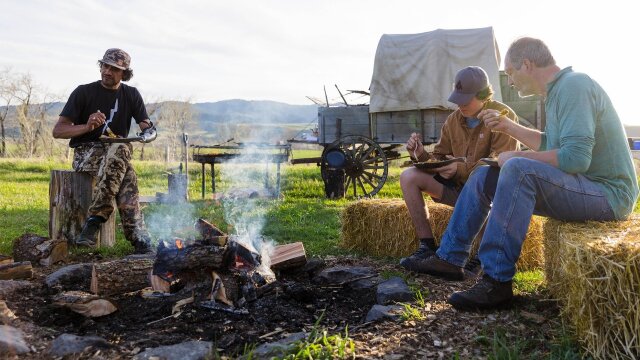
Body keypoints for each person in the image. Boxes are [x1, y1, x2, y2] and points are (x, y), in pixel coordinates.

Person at [417, 37, 639, 310]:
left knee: (517, 168)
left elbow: (576, 158)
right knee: (485, 174)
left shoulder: (574, 86)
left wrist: (517, 156)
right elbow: (553, 146)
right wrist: (509, 127)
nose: (509, 81)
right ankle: (450, 258)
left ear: (527, 64)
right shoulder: (557, 92)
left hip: (608, 194)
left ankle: (496, 281)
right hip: (583, 185)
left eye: (510, 72)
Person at [399, 66, 519, 275]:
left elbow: (502, 164)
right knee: (409, 176)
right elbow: (439, 157)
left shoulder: (502, 116)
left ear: (483, 96)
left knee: (482, 184)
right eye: (458, 98)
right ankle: (427, 247)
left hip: (490, 196)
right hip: (458, 189)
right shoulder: (454, 119)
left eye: (466, 99)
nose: (460, 104)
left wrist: (460, 169)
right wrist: (420, 155)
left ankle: (482, 257)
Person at [52, 48, 157, 254]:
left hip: (116, 154)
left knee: (124, 162)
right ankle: (137, 235)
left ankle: (96, 223)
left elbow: (147, 127)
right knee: (124, 157)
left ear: (124, 73)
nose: (107, 71)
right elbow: (58, 131)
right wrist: (87, 127)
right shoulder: (83, 92)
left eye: (114, 69)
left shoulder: (131, 94)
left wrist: (147, 134)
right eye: (104, 66)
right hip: (86, 152)